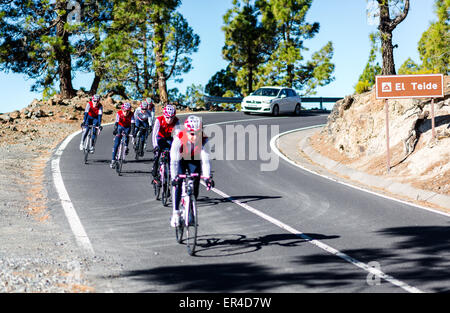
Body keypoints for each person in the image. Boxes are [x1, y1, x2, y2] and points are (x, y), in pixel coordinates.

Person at [169, 115, 214, 227]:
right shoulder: (179, 138)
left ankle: (191, 206)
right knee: (178, 184)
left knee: (196, 182)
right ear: (186, 131)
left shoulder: (204, 139)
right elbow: (173, 161)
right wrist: (174, 177)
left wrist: (208, 177)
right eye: (192, 134)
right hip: (180, 159)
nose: (195, 137)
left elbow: (205, 160)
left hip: (194, 159)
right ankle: (175, 212)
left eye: (197, 133)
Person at [151, 104, 180, 184]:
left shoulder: (176, 121)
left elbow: (178, 135)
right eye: (167, 117)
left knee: (172, 156)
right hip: (160, 137)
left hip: (169, 138)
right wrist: (155, 146)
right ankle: (155, 174)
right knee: (157, 154)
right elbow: (154, 134)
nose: (169, 120)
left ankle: (168, 176)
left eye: (172, 117)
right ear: (164, 115)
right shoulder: (159, 120)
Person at [110, 102, 135, 169]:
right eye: (124, 111)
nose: (126, 113)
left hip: (127, 127)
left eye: (128, 111)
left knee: (127, 135)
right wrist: (115, 130)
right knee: (116, 144)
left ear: (130, 110)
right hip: (120, 126)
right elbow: (116, 123)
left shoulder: (132, 114)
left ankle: (126, 147)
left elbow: (132, 125)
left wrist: (133, 133)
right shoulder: (119, 113)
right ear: (122, 110)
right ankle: (113, 160)